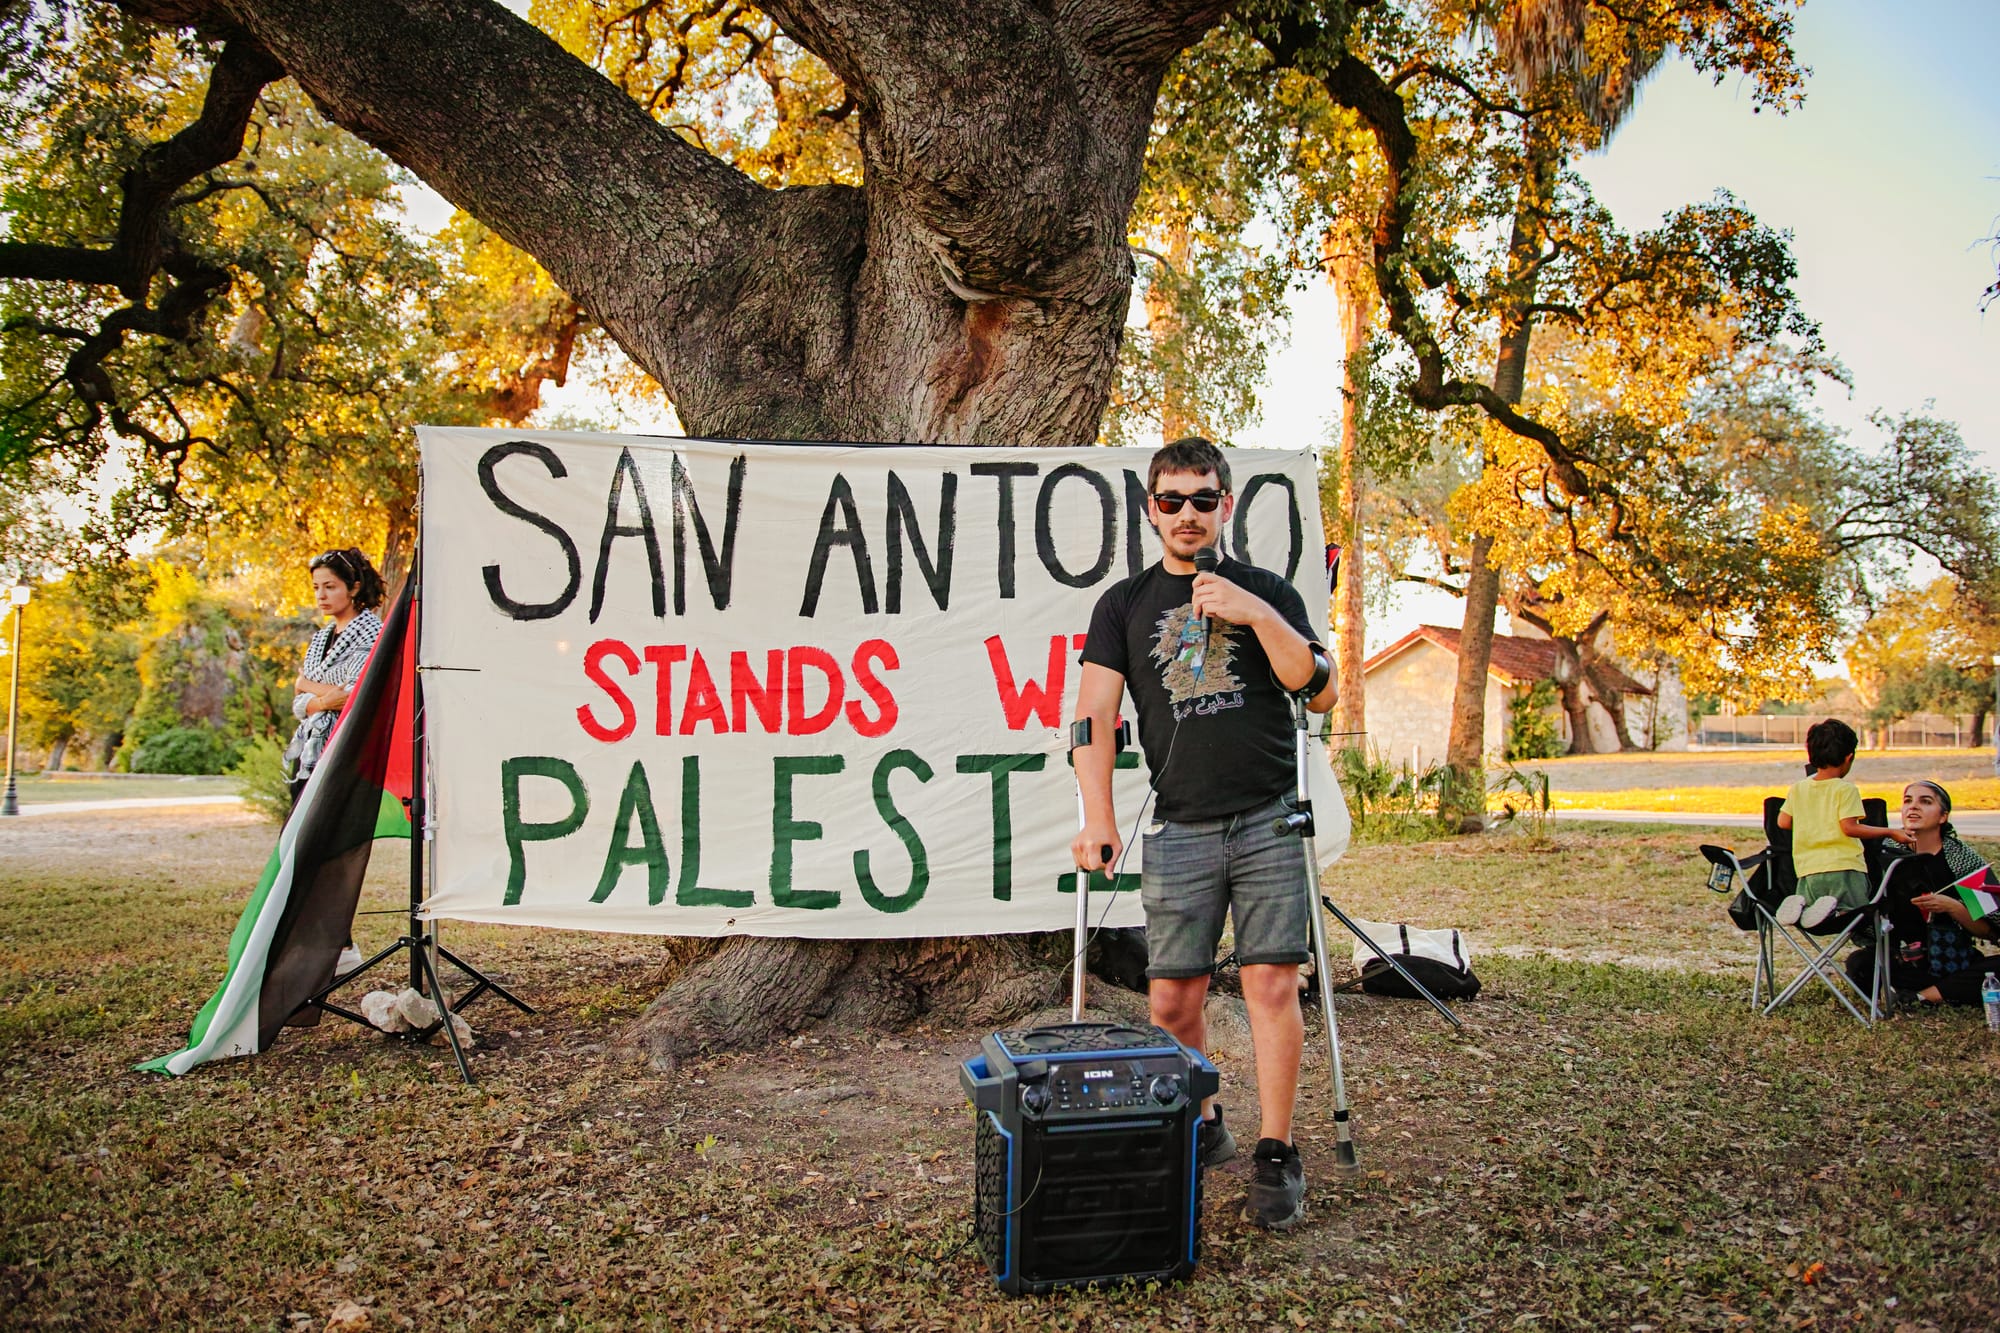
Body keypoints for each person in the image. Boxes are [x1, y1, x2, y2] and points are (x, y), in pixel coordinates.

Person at [1072, 436, 1336, 1232]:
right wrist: (1099, 815)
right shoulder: (1122, 605)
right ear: (1150, 509)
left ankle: (1277, 1150)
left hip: (1266, 815)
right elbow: (1093, 716)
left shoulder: (1265, 588)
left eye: (1203, 499)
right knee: (1173, 998)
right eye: (1171, 500)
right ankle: (1206, 1116)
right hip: (1180, 822)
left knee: (1270, 985)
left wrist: (1254, 613)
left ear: (1226, 504)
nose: (1187, 514)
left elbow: (1318, 690)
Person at [282, 547, 386, 974]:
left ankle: (339, 945)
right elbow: (299, 696)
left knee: (328, 847)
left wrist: (314, 692)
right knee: (297, 843)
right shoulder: (323, 636)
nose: (322, 596)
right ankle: (322, 938)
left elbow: (353, 693)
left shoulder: (371, 633)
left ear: (354, 587)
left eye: (330, 587)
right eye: (317, 588)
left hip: (342, 752)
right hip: (308, 752)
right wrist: (318, 697)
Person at [1845, 780, 2000, 1009]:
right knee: (1859, 963)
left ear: (1943, 817)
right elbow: (1870, 917)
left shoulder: (1962, 859)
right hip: (1904, 959)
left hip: (1954, 960)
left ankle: (1921, 996)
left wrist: (1953, 907)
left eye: (1925, 801)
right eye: (1908, 801)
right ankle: (1938, 992)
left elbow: (1991, 929)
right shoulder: (1886, 854)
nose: (1913, 807)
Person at [1774, 719, 1912, 931]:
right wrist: (1891, 832)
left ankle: (1801, 908)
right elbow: (1850, 828)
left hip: (1808, 871)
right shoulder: (1845, 790)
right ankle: (1838, 912)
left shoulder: (1798, 789)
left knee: (1818, 910)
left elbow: (1783, 822)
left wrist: (1811, 822)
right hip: (1844, 868)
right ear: (1849, 758)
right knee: (1855, 916)